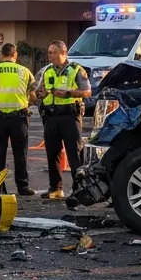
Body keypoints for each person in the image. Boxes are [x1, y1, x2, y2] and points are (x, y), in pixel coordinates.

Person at [0, 43, 37, 196]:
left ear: (1, 56)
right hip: (19, 118)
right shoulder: (25, 72)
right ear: (15, 56)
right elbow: (33, 96)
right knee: (20, 153)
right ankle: (23, 187)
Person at [36, 40, 91, 200]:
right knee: (52, 153)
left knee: (74, 153)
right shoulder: (47, 71)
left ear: (63, 53)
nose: (49, 56)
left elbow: (87, 92)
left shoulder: (76, 70)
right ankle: (55, 188)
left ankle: (78, 189)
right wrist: (41, 94)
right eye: (49, 53)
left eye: (53, 52)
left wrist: (68, 93)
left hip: (70, 115)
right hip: (51, 116)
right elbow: (39, 91)